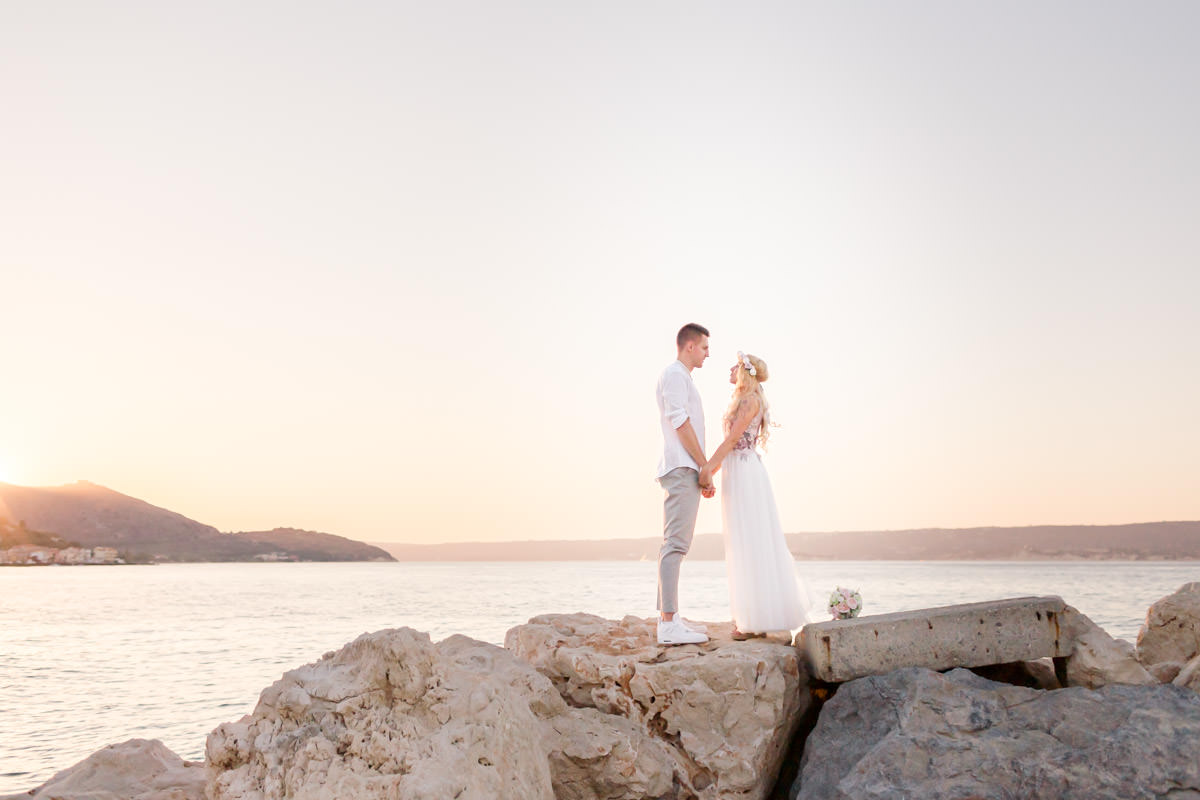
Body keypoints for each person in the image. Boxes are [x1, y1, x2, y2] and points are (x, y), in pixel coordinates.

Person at [699, 352, 811, 638]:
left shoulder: (750, 400)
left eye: (735, 365)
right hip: (740, 468)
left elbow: (732, 440)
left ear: (744, 372)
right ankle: (750, 614)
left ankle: (753, 619)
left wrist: (708, 469)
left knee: (749, 539)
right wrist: (715, 470)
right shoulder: (746, 399)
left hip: (745, 471)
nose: (730, 368)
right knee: (743, 538)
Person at [654, 323, 715, 645]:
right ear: (689, 346)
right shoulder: (675, 375)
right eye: (705, 347)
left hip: (685, 467)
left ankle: (671, 616)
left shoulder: (682, 377)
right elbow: (679, 420)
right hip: (681, 466)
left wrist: (701, 470)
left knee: (676, 544)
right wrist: (703, 465)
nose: (708, 353)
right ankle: (667, 624)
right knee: (675, 545)